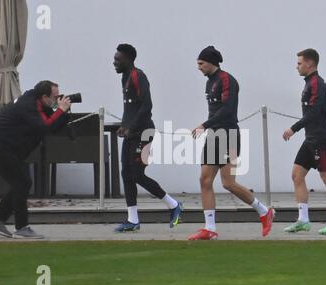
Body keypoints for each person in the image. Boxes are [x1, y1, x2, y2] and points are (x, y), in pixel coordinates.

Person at [189, 46, 275, 241]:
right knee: (204, 180)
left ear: (212, 62)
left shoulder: (227, 80)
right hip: (213, 135)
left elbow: (227, 110)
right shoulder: (209, 82)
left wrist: (205, 124)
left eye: (201, 63)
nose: (198, 67)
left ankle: (263, 211)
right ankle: (209, 228)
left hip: (228, 135)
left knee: (228, 183)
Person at [0, 81, 72, 239]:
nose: (57, 100)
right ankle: (20, 228)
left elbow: (52, 126)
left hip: (4, 147)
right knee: (22, 182)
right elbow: (44, 127)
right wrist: (60, 109)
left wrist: (64, 113)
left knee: (21, 183)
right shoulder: (28, 106)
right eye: (54, 97)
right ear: (44, 96)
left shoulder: (37, 102)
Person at [113, 43, 182, 232]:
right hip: (132, 133)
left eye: (118, 60)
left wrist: (132, 127)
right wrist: (124, 126)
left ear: (129, 59)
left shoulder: (138, 76)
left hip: (144, 133)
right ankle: (133, 220)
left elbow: (146, 106)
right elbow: (131, 107)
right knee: (126, 174)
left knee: (137, 175)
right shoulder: (125, 78)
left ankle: (174, 205)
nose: (114, 63)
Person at [282, 48, 326, 235]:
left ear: (309, 64)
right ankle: (303, 220)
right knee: (296, 175)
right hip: (310, 140)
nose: (297, 67)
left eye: (299, 63)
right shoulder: (309, 83)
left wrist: (293, 128)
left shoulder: (317, 83)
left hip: (320, 140)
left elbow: (314, 112)